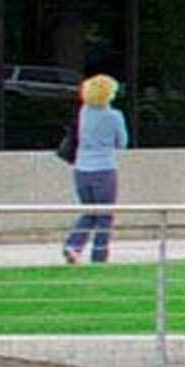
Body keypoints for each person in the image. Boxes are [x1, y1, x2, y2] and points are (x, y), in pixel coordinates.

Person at [60, 74, 127, 265]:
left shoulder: (83, 112)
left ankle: (73, 245)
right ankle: (99, 253)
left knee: (89, 211)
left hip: (81, 168)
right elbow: (122, 142)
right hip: (104, 168)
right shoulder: (114, 116)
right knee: (105, 214)